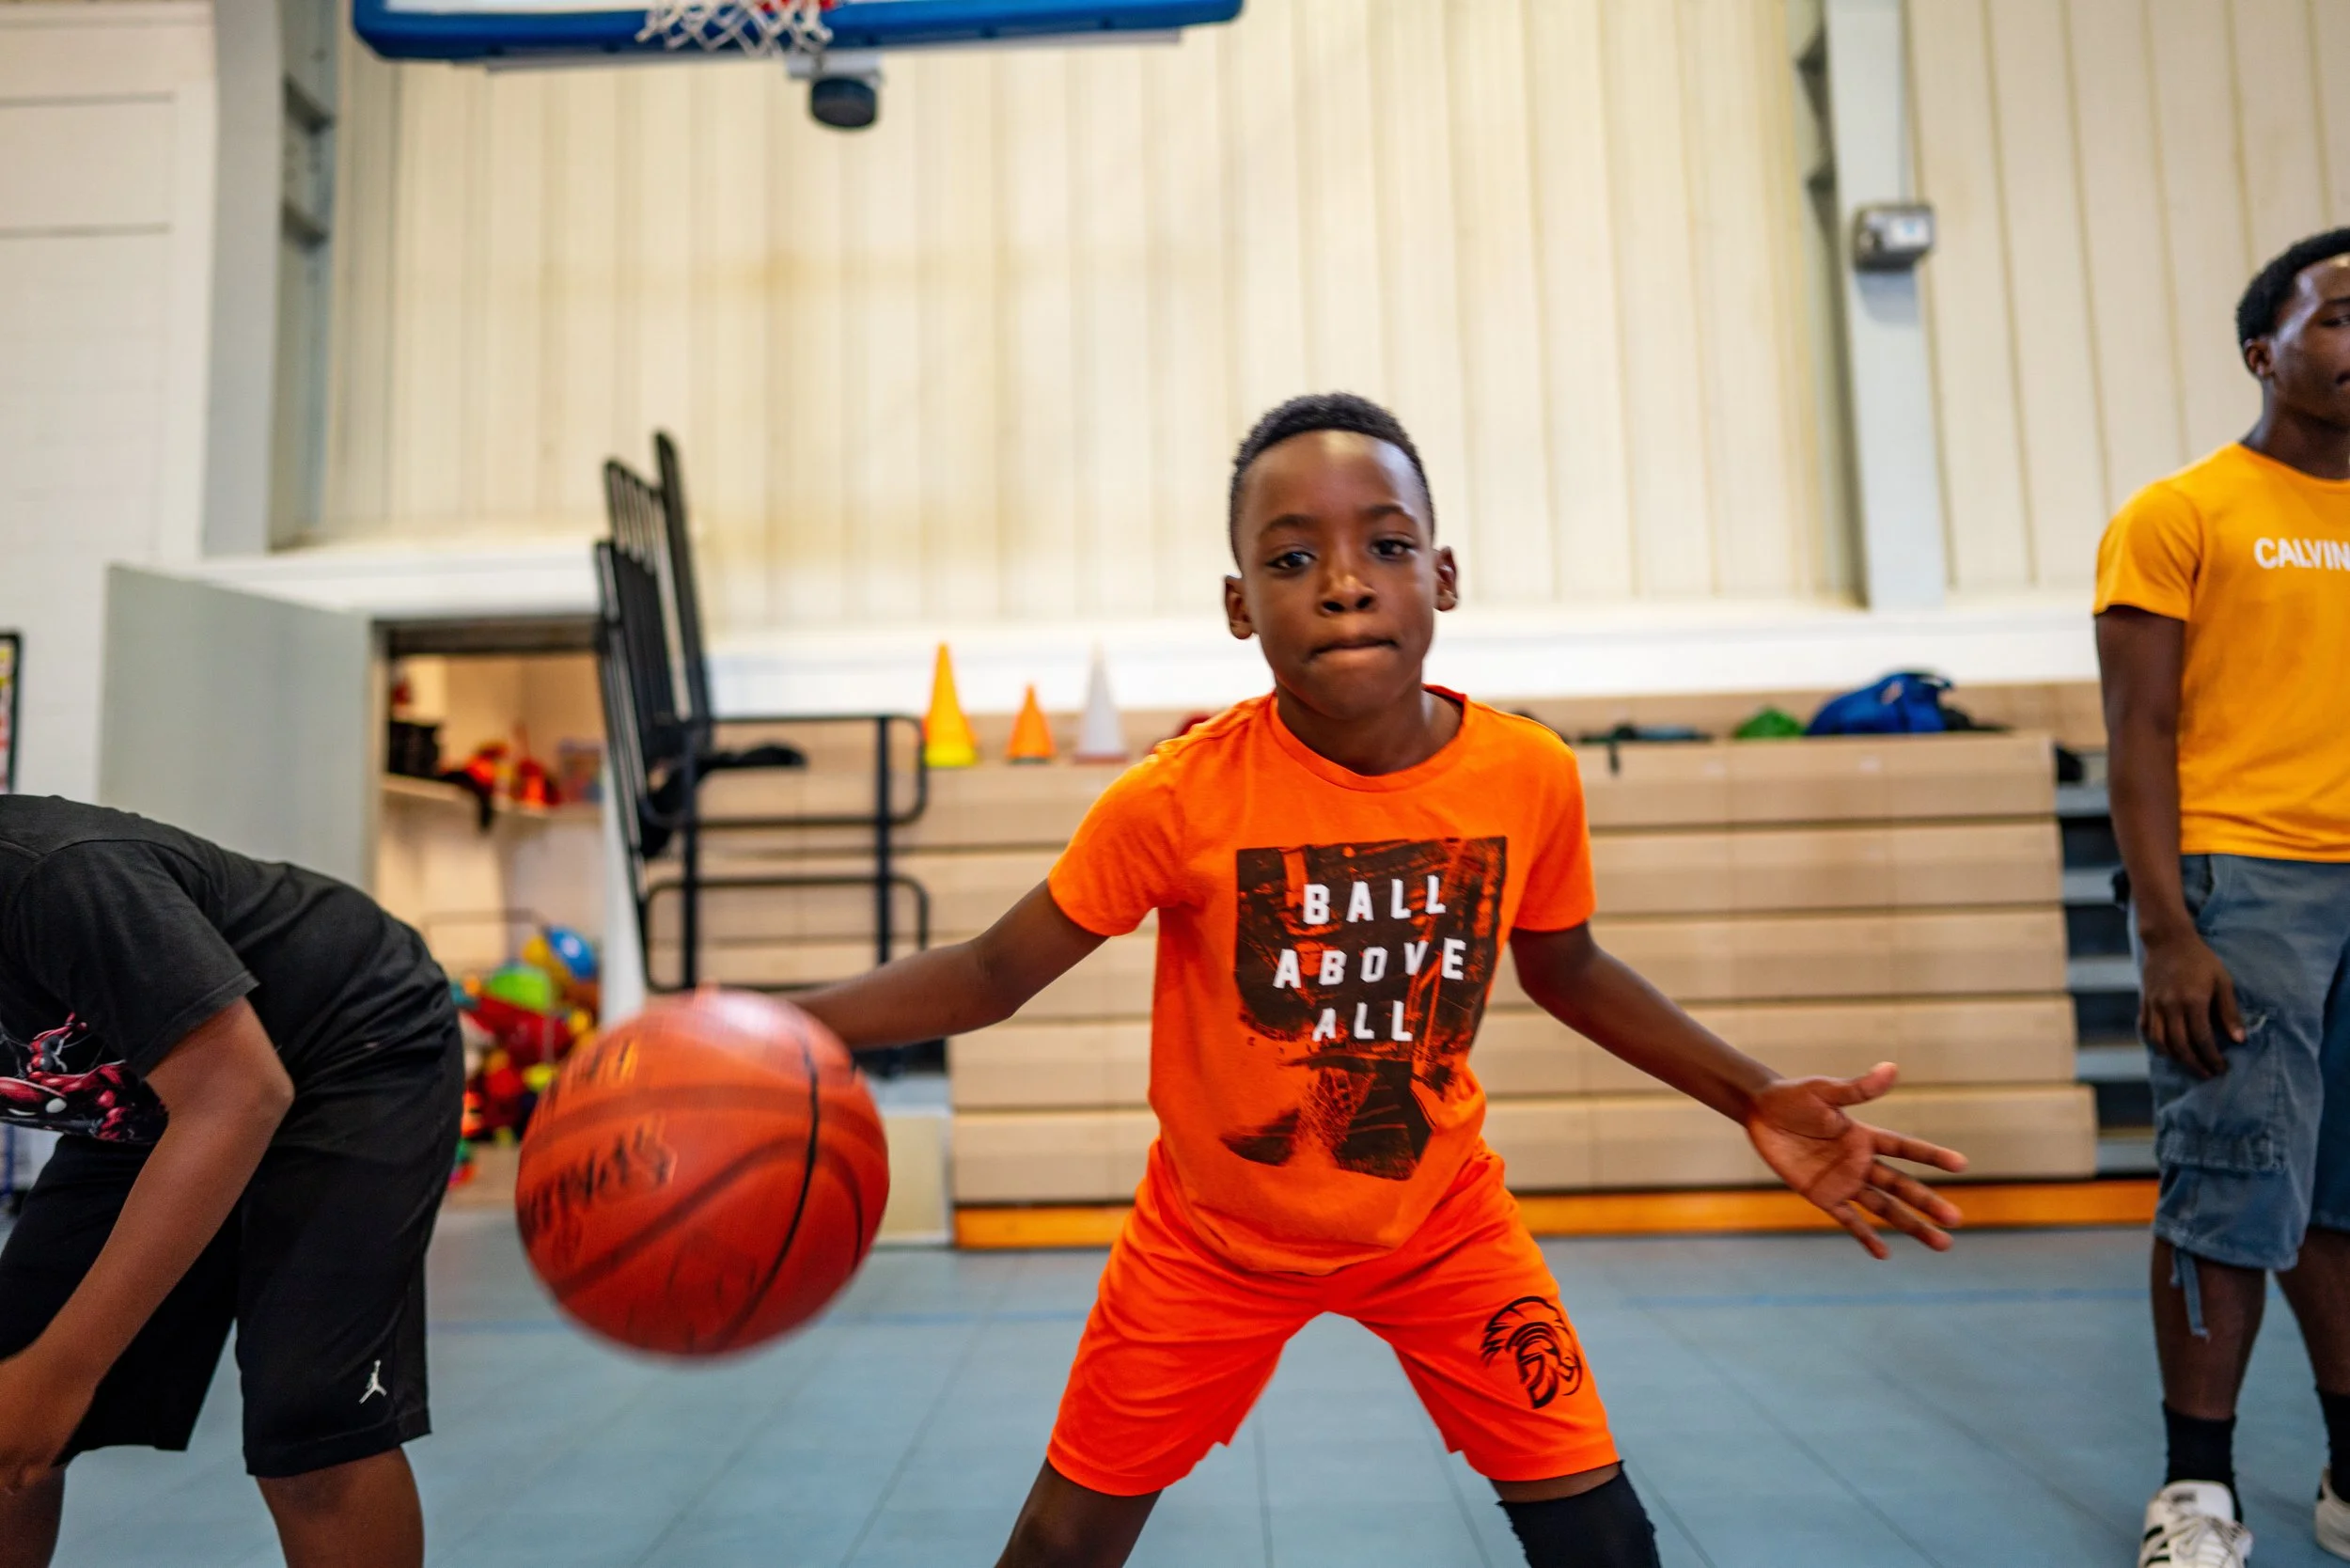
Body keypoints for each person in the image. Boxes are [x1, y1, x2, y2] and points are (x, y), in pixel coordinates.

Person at [800, 392, 1969, 1567]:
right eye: (1292, 557)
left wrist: (1750, 1093)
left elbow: (1565, 969)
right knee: (1061, 1544)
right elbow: (993, 972)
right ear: (1237, 605)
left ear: (1442, 576)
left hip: (1439, 1222)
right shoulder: (1174, 797)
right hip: (1215, 1237)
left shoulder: (1525, 774)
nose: (1344, 582)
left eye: (1387, 546)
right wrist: (767, 1022)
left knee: (1604, 1541)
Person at [0, 797, 463, 1568]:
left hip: (344, 1044)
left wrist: (62, 1372)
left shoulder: (55, 879)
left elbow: (239, 1097)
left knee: (311, 1424)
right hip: (154, 1090)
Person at [2096, 227, 2350, 1568]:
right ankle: (2197, 1491)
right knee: (2233, 1190)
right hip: (2247, 884)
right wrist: (2167, 930)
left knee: (2342, 1199)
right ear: (2267, 351)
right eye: (2341, 317)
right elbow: (2137, 735)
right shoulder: (2182, 513)